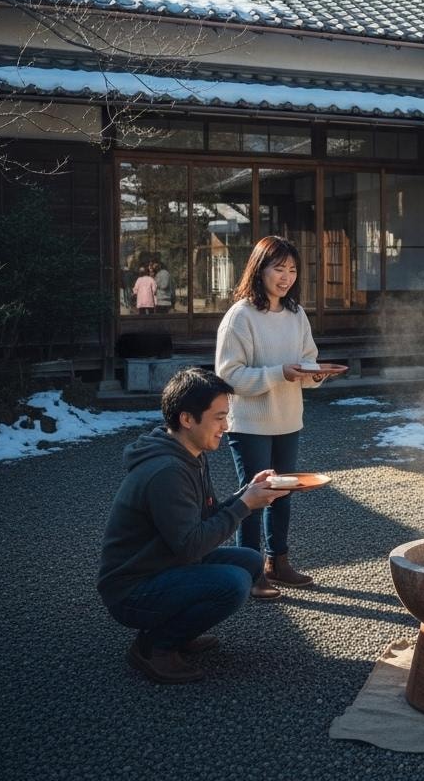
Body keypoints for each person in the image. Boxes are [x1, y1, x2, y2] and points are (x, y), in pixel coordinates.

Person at [97, 367, 287, 684]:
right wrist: (245, 505)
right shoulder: (166, 471)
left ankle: (177, 632)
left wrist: (247, 493)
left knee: (251, 561)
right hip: (131, 589)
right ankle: (153, 647)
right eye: (218, 417)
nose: (226, 426)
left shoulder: (189, 453)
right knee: (233, 583)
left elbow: (204, 518)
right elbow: (191, 545)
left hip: (161, 564)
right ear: (187, 419)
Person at [215, 235, 328, 598]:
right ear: (259, 269)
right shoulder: (241, 316)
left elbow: (307, 361)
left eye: (292, 269)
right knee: (253, 495)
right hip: (250, 423)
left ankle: (277, 562)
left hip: (288, 419)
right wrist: (281, 372)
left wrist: (316, 374)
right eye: (278, 268)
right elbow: (228, 377)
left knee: (284, 493)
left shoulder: (296, 314)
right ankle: (247, 571)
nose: (286, 277)